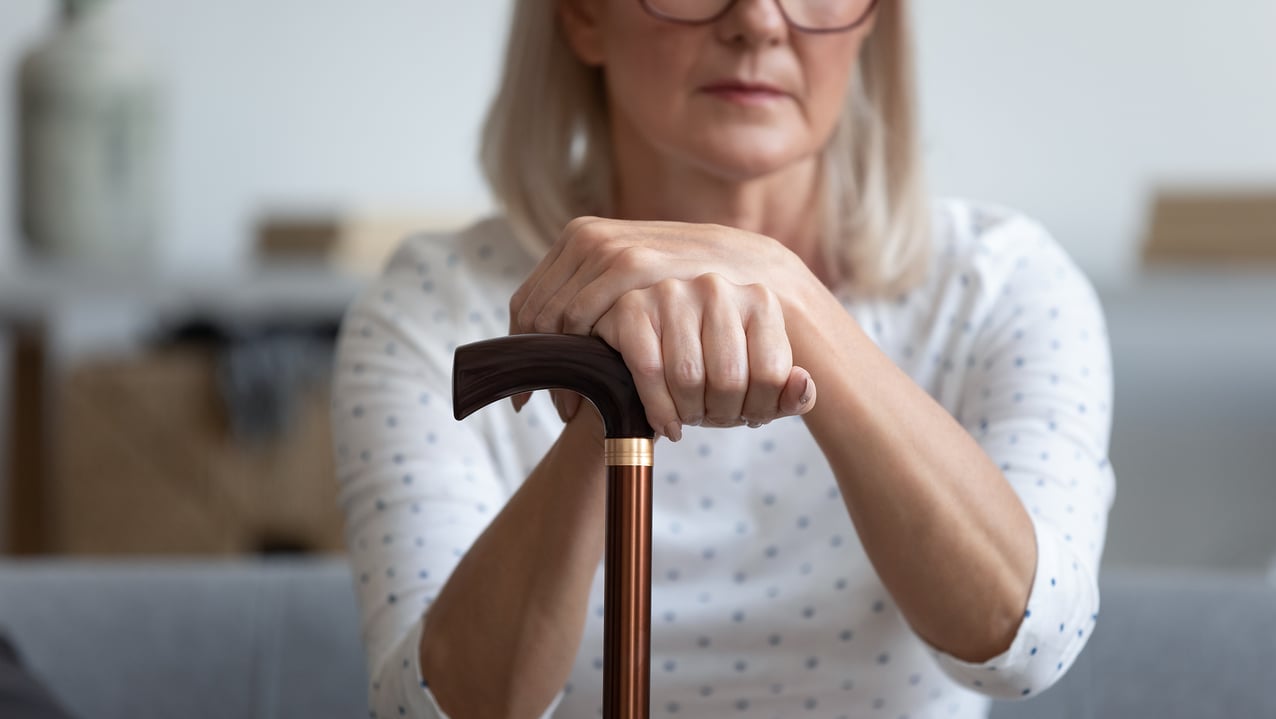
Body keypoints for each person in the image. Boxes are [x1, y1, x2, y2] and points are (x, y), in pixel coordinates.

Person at [330, 0, 1117, 717]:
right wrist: (612, 379)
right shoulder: (431, 310)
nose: (759, 22)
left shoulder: (1003, 285)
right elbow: (428, 710)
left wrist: (789, 295)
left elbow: (1027, 642)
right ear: (582, 16)